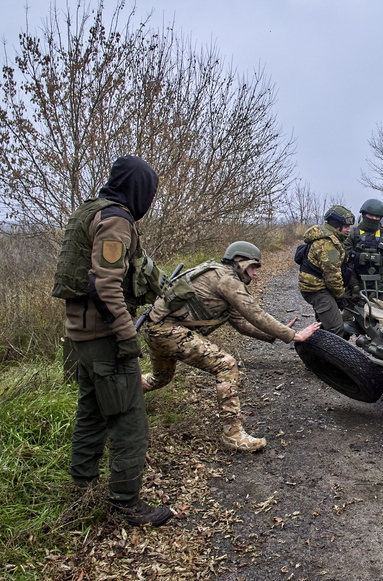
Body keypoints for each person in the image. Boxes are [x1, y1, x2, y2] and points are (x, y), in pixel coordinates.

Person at [51, 155, 172, 527]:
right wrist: (126, 337)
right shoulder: (116, 221)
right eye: (148, 191)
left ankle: (82, 486)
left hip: (81, 336)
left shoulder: (91, 210)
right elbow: (104, 287)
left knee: (91, 412)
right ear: (137, 190)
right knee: (129, 421)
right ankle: (125, 502)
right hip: (105, 338)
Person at [141, 241, 320, 453]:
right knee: (226, 365)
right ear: (239, 263)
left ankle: (120, 393)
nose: (255, 274)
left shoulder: (218, 275)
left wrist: (275, 334)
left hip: (157, 329)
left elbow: (240, 322)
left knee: (160, 378)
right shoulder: (227, 280)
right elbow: (254, 313)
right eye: (253, 267)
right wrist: (293, 335)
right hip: (167, 331)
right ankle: (232, 435)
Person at [298, 205, 355, 337]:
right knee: (336, 329)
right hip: (317, 290)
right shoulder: (329, 245)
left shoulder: (325, 237)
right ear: (337, 226)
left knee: (325, 323)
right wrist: (341, 297)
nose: (348, 230)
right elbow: (332, 277)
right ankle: (327, 356)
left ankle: (318, 351)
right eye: (346, 226)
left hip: (317, 288)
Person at [344, 198, 383, 302]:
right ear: (363, 214)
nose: (373, 218)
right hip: (355, 286)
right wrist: (354, 287)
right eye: (370, 215)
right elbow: (347, 264)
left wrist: (377, 290)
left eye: (377, 217)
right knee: (347, 315)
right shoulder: (352, 234)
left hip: (379, 288)